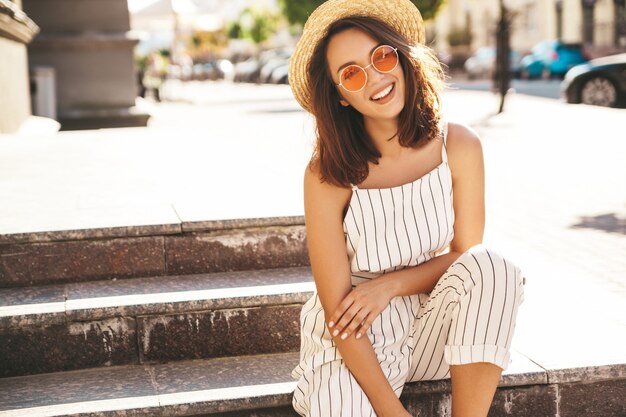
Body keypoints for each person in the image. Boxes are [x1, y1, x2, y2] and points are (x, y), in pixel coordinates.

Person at [287, 0, 526, 416]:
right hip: (354, 341)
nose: (375, 77)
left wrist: (390, 284)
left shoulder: (460, 146)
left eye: (381, 56)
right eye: (351, 73)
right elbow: (339, 313)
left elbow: (465, 260)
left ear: (401, 55)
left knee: (493, 266)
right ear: (340, 96)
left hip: (432, 325)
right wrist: (391, 411)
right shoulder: (327, 174)